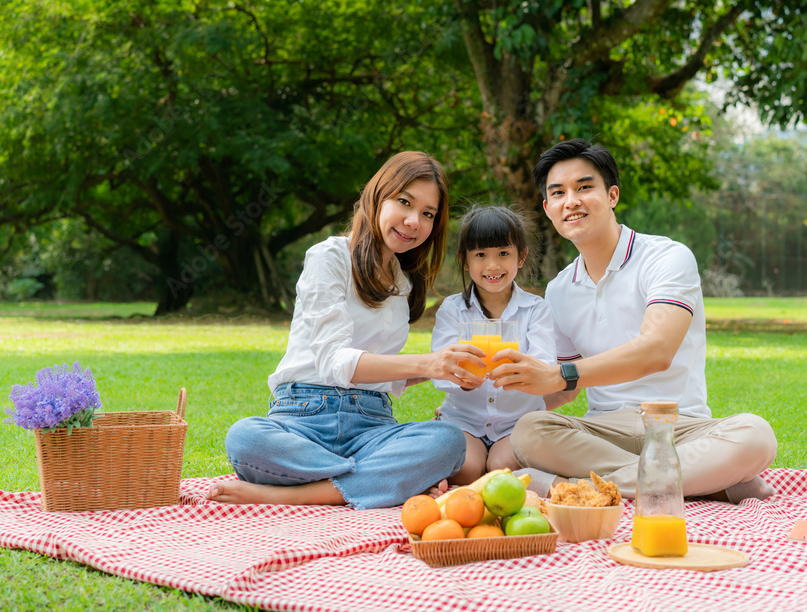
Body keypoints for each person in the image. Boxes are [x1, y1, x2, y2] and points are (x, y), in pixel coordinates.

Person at [492, 139, 778, 502]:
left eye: (584, 187)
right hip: (603, 429)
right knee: (529, 431)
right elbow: (566, 389)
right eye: (559, 193)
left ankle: (568, 489)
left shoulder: (667, 257)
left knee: (755, 435)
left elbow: (656, 350)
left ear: (612, 195)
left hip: (679, 425)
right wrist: (489, 404)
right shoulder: (560, 289)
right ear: (548, 208)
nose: (572, 201)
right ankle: (709, 482)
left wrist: (559, 374)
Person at [210, 151, 486, 510]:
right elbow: (334, 361)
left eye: (428, 214)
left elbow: (382, 371)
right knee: (246, 437)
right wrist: (429, 364)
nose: (414, 220)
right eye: (404, 202)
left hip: (371, 426)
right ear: (377, 196)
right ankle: (381, 480)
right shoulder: (330, 257)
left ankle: (301, 493)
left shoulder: (402, 285)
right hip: (302, 418)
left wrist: (446, 368)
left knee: (447, 442)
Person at [430, 205, 557, 485]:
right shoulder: (452, 309)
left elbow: (545, 366)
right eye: (480, 255)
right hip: (464, 421)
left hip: (517, 423)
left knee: (501, 466)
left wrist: (521, 374)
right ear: (465, 260)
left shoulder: (536, 309)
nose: (492, 265)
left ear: (520, 257)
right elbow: (439, 372)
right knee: (467, 469)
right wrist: (462, 380)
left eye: (503, 253)